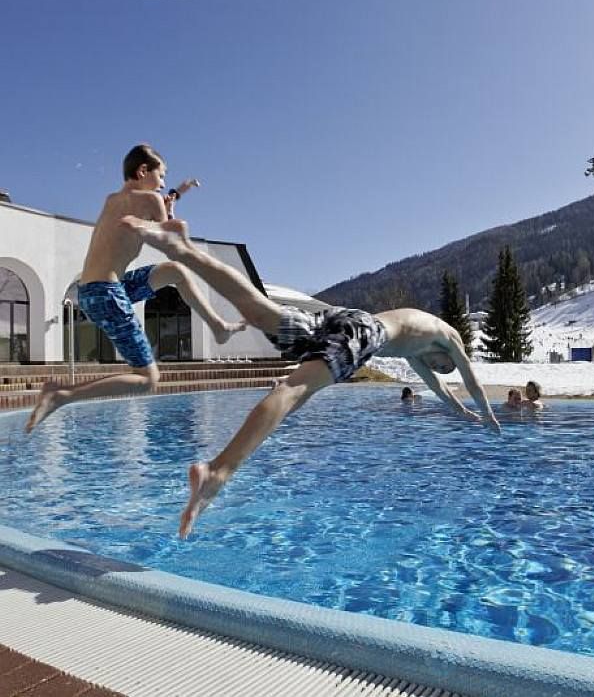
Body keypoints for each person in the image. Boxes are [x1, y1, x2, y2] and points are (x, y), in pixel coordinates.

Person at [120, 215, 500, 538]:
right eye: (442, 364)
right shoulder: (450, 336)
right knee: (292, 390)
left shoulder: (421, 347)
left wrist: (464, 413)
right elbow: (469, 379)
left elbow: (440, 388)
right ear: (448, 352)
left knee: (257, 306)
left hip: (345, 316)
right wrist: (488, 412)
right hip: (364, 333)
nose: (436, 368)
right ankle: (217, 472)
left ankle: (184, 251)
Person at [25, 144, 246, 433]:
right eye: (162, 175)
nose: (164, 183)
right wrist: (172, 207)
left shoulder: (111, 199)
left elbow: (153, 217)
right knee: (147, 379)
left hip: (94, 290)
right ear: (143, 171)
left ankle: (218, 326)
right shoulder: (152, 200)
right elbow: (172, 243)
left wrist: (176, 194)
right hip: (108, 294)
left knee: (174, 273)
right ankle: (62, 395)